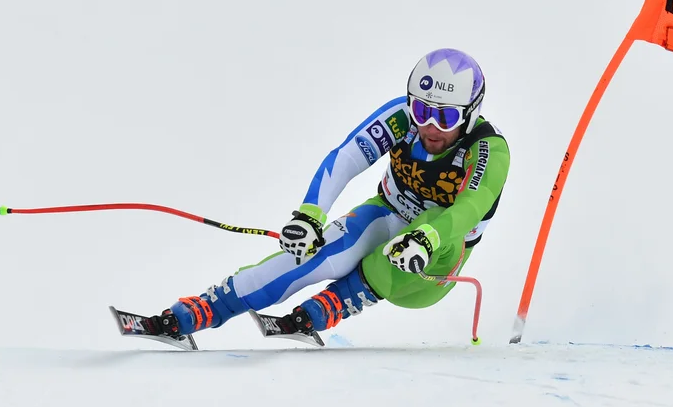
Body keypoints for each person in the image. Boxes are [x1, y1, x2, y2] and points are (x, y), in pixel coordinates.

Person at [144, 48, 511, 343]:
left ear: (470, 113)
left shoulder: (488, 150)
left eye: (445, 117)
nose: (430, 126)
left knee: (418, 234)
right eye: (421, 110)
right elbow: (349, 155)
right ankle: (203, 309)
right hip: (388, 213)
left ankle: (336, 302)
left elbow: (471, 207)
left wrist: (427, 238)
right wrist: (310, 215)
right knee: (315, 256)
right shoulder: (402, 117)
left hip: (436, 261)